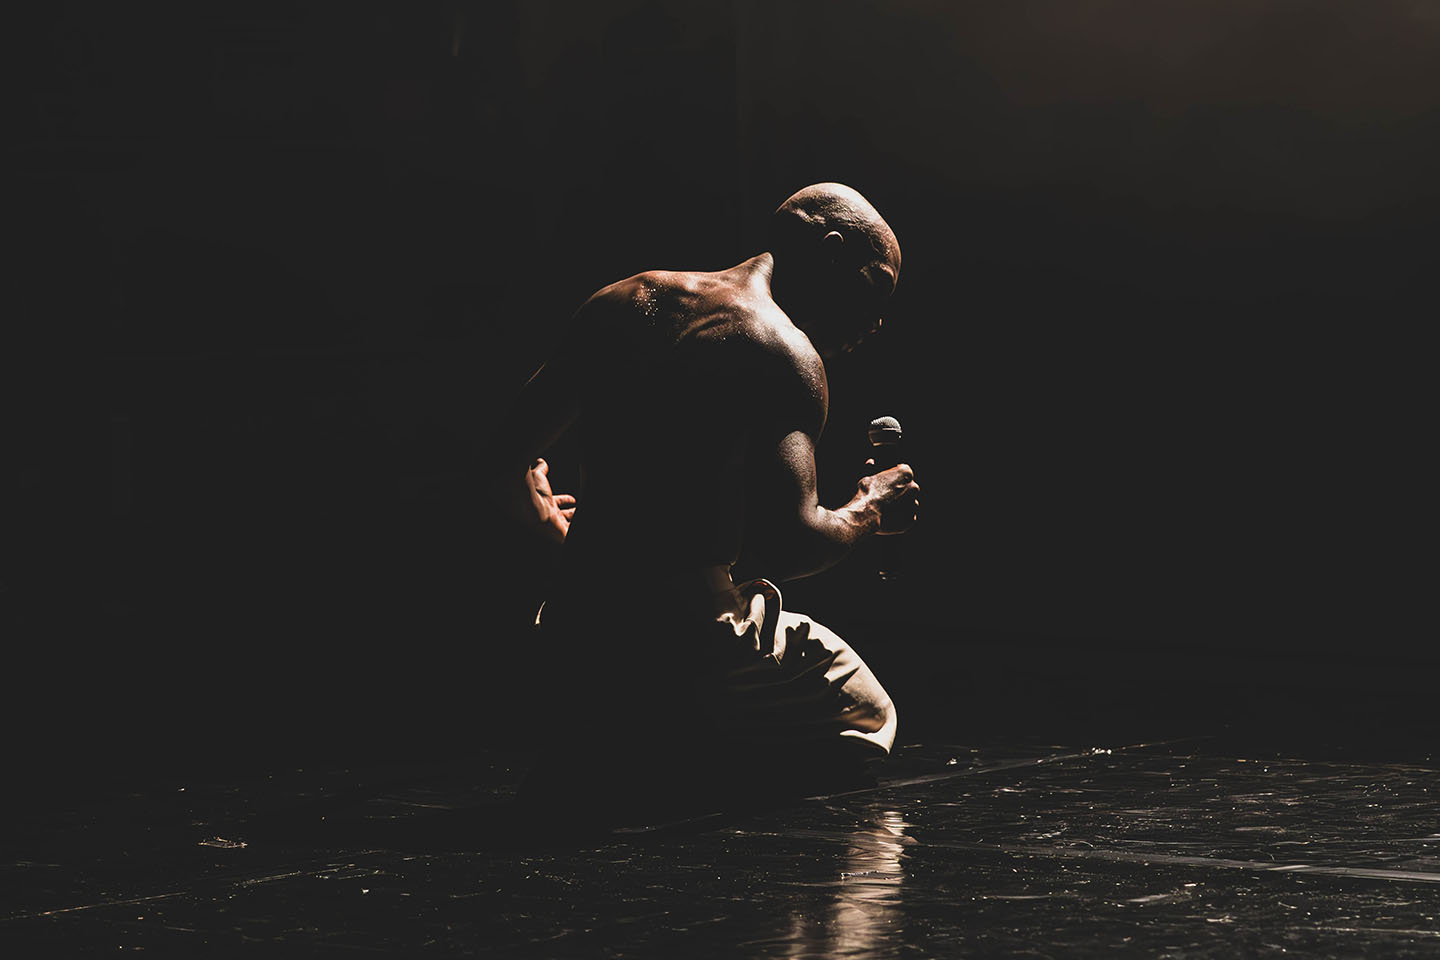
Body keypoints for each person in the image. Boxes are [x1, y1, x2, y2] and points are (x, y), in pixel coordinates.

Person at [496, 183, 919, 815]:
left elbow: (506, 445)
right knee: (865, 714)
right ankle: (666, 752)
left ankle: (613, 732)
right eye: (876, 282)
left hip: (570, 630)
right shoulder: (783, 351)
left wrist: (553, 528)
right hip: (682, 641)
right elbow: (791, 543)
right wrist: (869, 509)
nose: (878, 317)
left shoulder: (627, 299)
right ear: (832, 252)